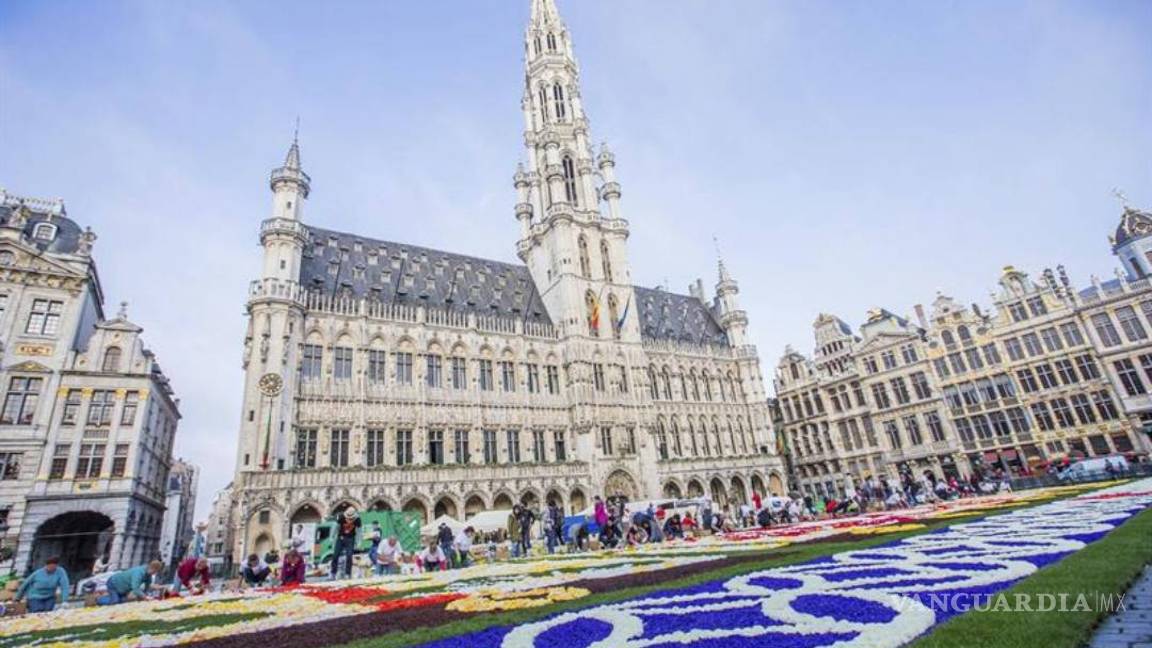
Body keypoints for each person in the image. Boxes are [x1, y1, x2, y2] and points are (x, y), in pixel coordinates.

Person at [331, 508, 361, 579]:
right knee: (335, 555)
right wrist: (332, 537)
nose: (349, 519)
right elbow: (335, 527)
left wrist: (358, 541)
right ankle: (333, 573)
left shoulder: (357, 519)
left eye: (351, 518)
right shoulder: (341, 517)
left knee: (349, 556)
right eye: (348, 518)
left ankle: (348, 573)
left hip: (351, 538)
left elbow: (359, 531)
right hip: (341, 537)